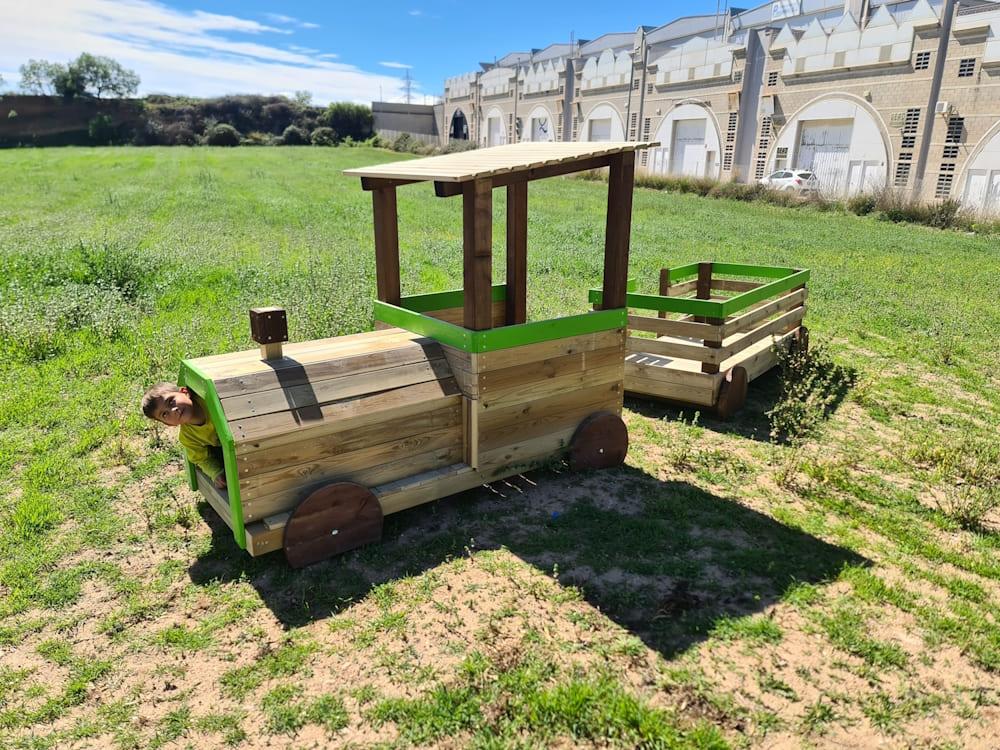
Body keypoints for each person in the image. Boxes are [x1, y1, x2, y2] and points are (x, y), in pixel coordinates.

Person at [141, 382, 226, 490]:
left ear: (185, 392)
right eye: (165, 414)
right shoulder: (188, 437)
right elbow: (201, 459)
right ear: (169, 424)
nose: (173, 410)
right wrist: (216, 473)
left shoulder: (211, 403)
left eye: (171, 401)